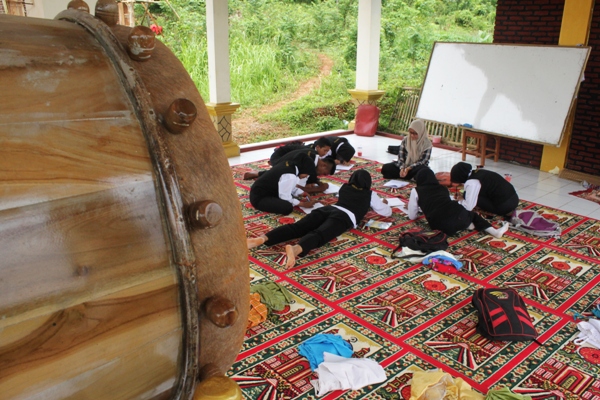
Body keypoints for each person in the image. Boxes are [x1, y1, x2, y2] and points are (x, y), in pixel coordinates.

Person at [247, 169, 392, 268]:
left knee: (298, 227)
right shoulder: (370, 194)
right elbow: (385, 212)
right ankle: (296, 249)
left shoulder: (344, 187)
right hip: (344, 217)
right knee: (320, 234)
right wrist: (384, 203)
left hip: (327, 209)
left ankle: (262, 239)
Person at [407, 168, 509, 237]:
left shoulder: (416, 191)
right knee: (471, 214)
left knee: (445, 217)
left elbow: (412, 216)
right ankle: (494, 231)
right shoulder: (443, 188)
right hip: (460, 217)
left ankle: (465, 225)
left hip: (440, 227)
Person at [249, 152, 322, 215]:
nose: (306, 176)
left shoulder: (290, 166)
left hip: (266, 191)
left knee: (291, 198)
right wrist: (303, 204)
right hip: (259, 198)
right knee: (287, 207)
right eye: (307, 174)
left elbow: (291, 186)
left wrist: (303, 193)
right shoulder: (290, 176)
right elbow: (285, 197)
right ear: (303, 169)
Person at [244, 148, 336, 194]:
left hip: (279, 163)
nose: (320, 175)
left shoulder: (312, 153)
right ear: (323, 165)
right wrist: (320, 188)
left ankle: (258, 173)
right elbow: (299, 189)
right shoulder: (310, 165)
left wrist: (317, 181)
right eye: (323, 173)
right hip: (282, 170)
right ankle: (260, 174)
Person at [449, 162, 519, 218]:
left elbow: (469, 207)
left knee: (469, 197)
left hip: (505, 206)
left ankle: (502, 212)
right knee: (467, 194)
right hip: (514, 198)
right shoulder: (478, 172)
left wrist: (461, 199)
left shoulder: (472, 182)